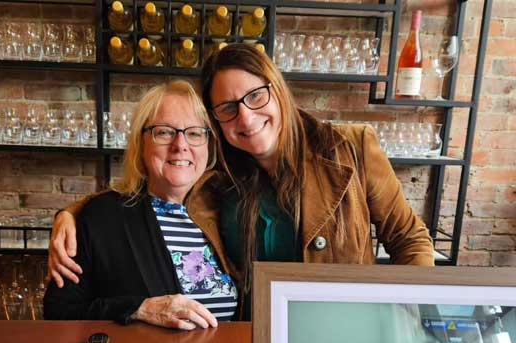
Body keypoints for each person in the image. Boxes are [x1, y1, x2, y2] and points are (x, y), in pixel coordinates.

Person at [49, 44, 434, 316]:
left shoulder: (350, 147)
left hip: (344, 331)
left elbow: (409, 239)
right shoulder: (225, 176)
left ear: (277, 91)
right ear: (218, 123)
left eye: (255, 97)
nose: (246, 118)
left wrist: (399, 316)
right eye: (228, 108)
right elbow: (153, 189)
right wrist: (73, 213)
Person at [43, 80, 238, 330]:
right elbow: (58, 313)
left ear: (209, 145)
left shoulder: (229, 213)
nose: (180, 145)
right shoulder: (101, 217)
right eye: (165, 132)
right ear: (141, 143)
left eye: (194, 133)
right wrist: (138, 309)